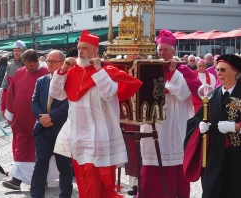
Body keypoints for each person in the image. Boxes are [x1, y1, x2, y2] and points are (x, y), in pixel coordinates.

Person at [50, 30, 143, 198]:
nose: (80, 52)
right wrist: (63, 69)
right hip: (78, 132)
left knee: (99, 177)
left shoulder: (106, 71)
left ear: (95, 51)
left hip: (99, 134)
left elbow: (109, 93)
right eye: (79, 48)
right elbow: (56, 93)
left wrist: (99, 69)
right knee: (83, 176)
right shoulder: (72, 72)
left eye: (85, 48)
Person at [138, 29, 201, 198]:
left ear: (174, 51)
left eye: (165, 50)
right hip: (154, 123)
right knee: (152, 161)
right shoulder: (150, 68)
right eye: (159, 50)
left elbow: (182, 93)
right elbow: (148, 91)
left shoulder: (184, 70)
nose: (161, 53)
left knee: (175, 157)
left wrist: (173, 72)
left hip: (175, 123)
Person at [184, 54, 241, 198]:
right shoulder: (212, 95)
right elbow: (196, 119)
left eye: (223, 70)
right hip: (216, 155)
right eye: (217, 70)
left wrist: (236, 127)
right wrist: (200, 126)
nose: (218, 73)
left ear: (235, 72)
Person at [1, 49, 49, 190]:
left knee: (39, 150)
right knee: (22, 148)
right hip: (22, 119)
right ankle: (17, 180)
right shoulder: (20, 72)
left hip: (39, 120)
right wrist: (7, 109)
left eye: (31, 66)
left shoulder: (46, 73)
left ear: (37, 61)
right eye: (26, 66)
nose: (29, 68)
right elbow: (11, 93)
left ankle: (36, 179)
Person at [30, 50, 73, 198]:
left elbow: (69, 104)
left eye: (53, 62)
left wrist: (52, 117)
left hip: (61, 129)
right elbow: (34, 102)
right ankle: (36, 195)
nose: (49, 64)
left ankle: (65, 194)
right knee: (40, 163)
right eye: (48, 61)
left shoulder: (69, 80)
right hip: (43, 129)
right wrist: (43, 118)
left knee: (64, 166)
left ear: (62, 63)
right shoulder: (42, 81)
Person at [0, 40, 26, 119]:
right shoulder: (10, 67)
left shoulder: (29, 66)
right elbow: (5, 89)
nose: (16, 53)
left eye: (18, 51)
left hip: (26, 102)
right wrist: (2, 107)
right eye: (14, 51)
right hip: (13, 103)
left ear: (23, 52)